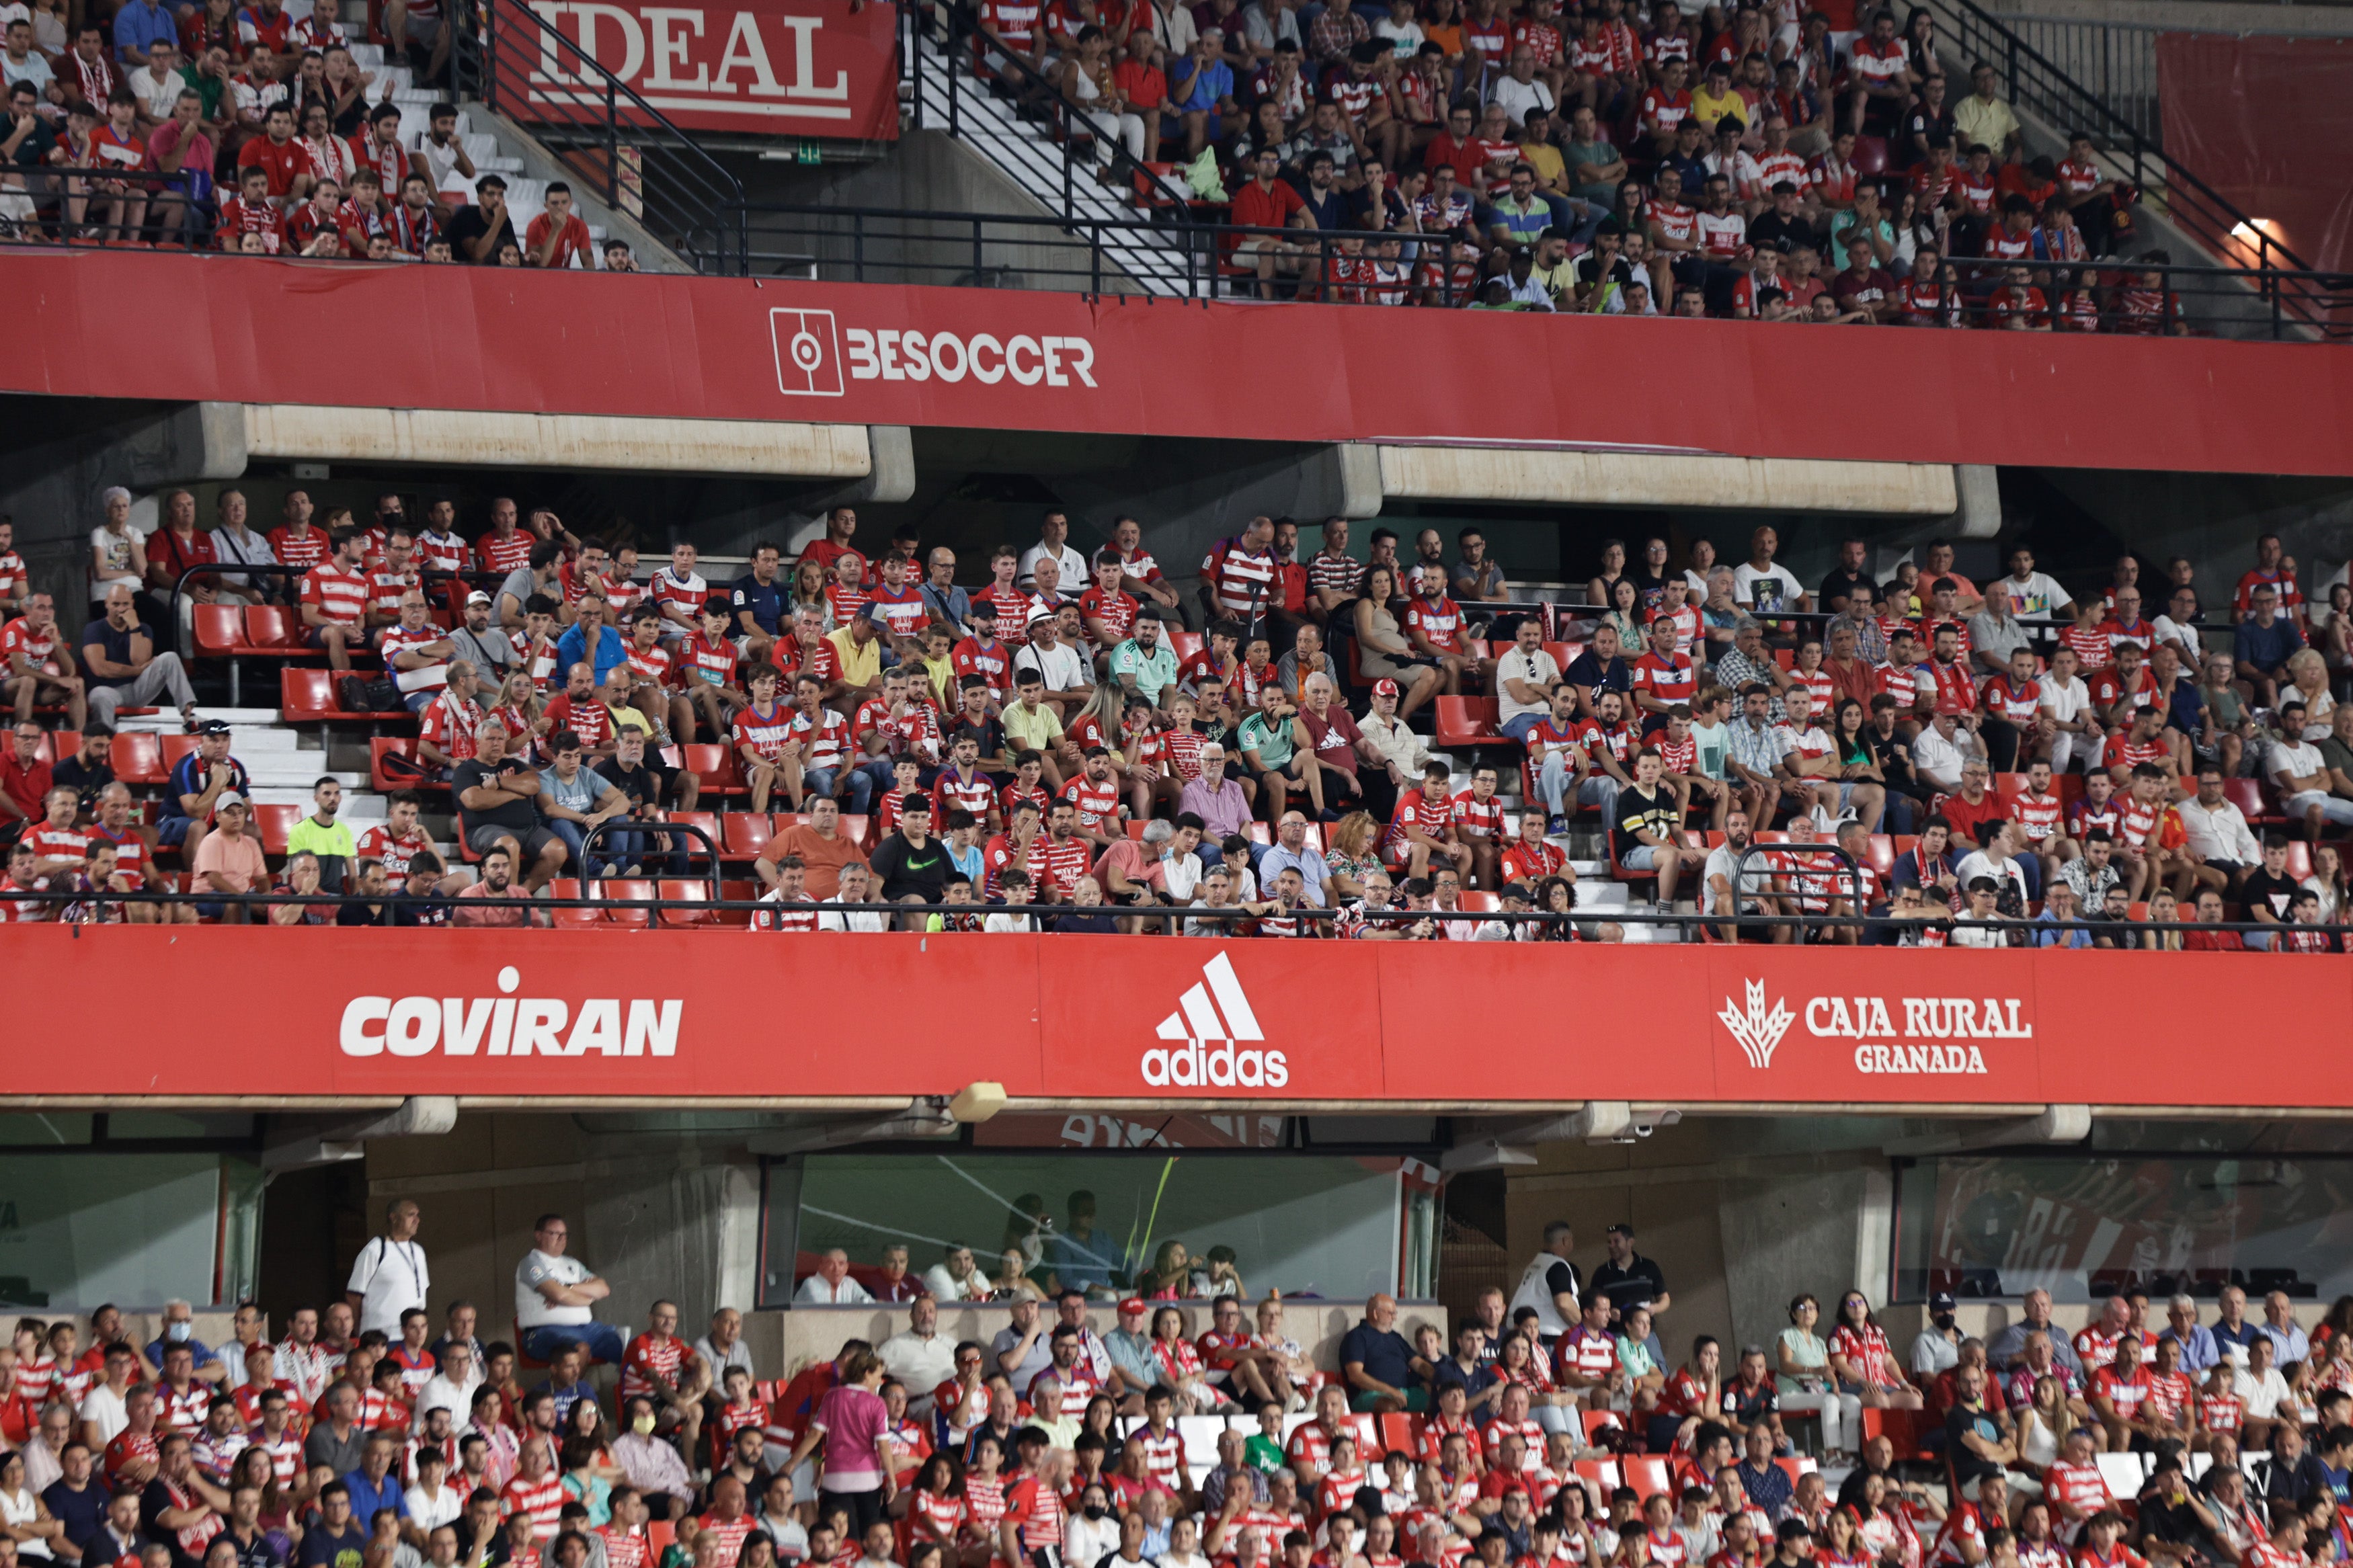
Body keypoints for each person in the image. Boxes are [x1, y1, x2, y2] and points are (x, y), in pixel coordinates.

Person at [516, 1216, 623, 1366]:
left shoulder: (573, 1263)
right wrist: (588, 1298)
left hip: (587, 1329)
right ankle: (572, 1383)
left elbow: (604, 1289)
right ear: (538, 1236)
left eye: (565, 1234)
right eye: (555, 1234)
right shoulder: (531, 1262)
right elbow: (560, 1295)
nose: (562, 1238)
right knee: (579, 1350)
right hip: (544, 1332)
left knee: (630, 1347)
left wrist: (568, 1287)